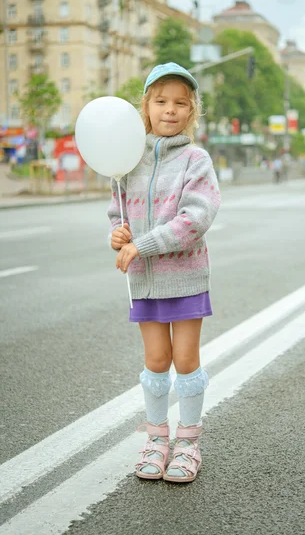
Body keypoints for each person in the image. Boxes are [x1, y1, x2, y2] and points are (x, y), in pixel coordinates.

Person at [107, 62, 221, 483]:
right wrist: (117, 236)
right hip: (143, 282)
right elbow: (116, 212)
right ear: (146, 107)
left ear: (191, 111)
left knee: (185, 359)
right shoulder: (129, 161)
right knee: (156, 360)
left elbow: (197, 217)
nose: (169, 110)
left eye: (179, 103)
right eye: (160, 101)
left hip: (186, 276)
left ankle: (188, 443)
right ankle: (156, 440)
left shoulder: (196, 159)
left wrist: (144, 243)